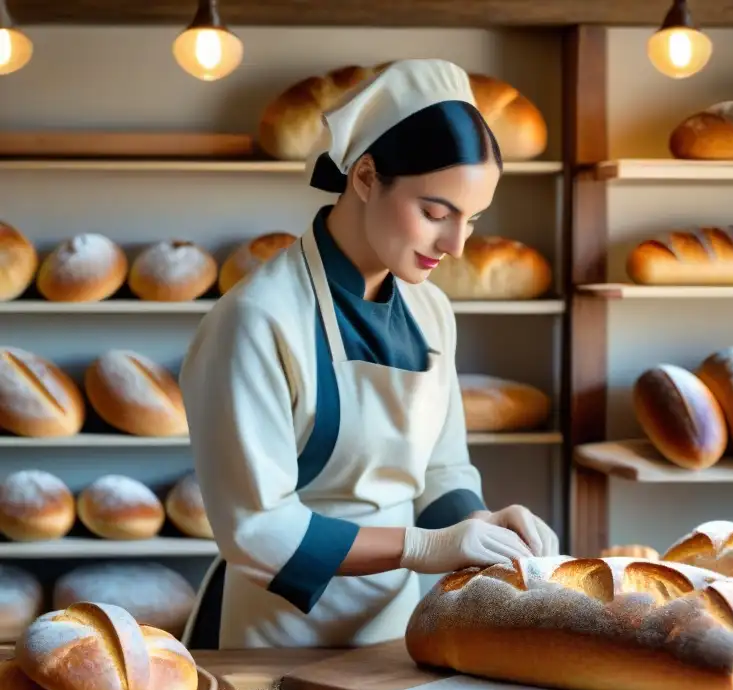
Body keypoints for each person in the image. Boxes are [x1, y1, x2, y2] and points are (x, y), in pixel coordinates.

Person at [178, 59, 559, 650]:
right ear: (364, 176)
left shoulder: (430, 311)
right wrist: (422, 547)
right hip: (277, 639)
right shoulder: (257, 320)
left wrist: (476, 524)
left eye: (473, 220)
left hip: (395, 634)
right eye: (436, 212)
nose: (455, 245)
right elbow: (258, 531)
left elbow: (442, 468)